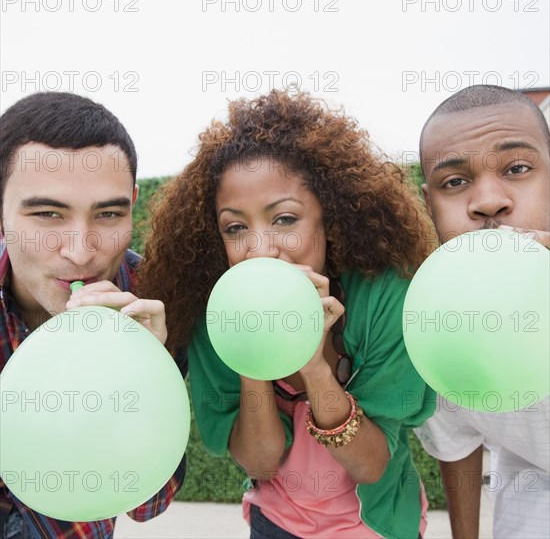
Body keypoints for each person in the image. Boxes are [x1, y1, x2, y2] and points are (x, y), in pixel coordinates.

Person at [139, 89, 437, 538]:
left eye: (284, 219)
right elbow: (260, 461)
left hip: (378, 525)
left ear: (329, 217)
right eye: (236, 228)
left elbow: (372, 465)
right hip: (275, 522)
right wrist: (254, 353)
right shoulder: (214, 317)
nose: (260, 250)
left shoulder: (386, 296)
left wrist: (313, 364)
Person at [0, 92, 186, 539]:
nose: (81, 251)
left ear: (134, 202)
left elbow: (148, 504)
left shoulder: (154, 301)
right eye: (47, 214)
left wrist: (148, 368)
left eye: (107, 214)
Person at [414, 84, 550, 538]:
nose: (489, 201)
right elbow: (456, 444)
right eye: (454, 182)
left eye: (517, 168)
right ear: (428, 204)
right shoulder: (433, 324)